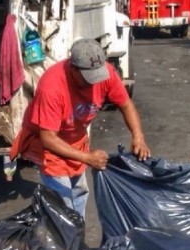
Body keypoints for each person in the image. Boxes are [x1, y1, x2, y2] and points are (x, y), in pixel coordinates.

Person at [10, 38, 150, 217]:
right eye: (88, 78)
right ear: (73, 69)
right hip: (51, 147)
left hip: (77, 140)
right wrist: (88, 158)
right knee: (63, 206)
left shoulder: (106, 73)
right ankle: (63, 240)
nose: (93, 83)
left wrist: (138, 136)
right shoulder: (52, 87)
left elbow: (126, 104)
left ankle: (76, 239)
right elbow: (48, 138)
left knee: (79, 193)